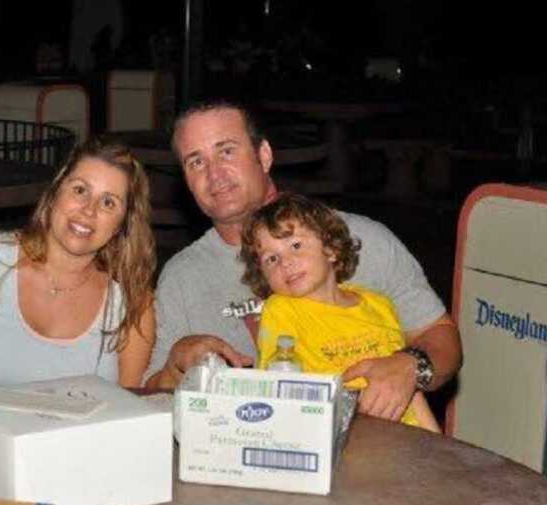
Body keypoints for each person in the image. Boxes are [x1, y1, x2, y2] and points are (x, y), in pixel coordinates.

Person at [145, 100, 462, 425]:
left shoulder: (360, 238)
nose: (214, 174)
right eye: (196, 162)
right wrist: (176, 365)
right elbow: (150, 395)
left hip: (383, 450)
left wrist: (410, 366)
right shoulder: (183, 275)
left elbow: (442, 338)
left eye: (226, 151)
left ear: (264, 155)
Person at [0, 137, 156, 392]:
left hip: (78, 433)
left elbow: (129, 413)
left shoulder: (133, 303)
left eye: (108, 202)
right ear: (55, 194)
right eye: (79, 190)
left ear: (121, 224)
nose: (89, 210)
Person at [240, 193, 440, 432]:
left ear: (331, 249)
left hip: (404, 440)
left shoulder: (379, 306)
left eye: (295, 245)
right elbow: (279, 387)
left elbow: (410, 391)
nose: (285, 262)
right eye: (271, 259)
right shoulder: (281, 310)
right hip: (335, 440)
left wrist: (438, 444)